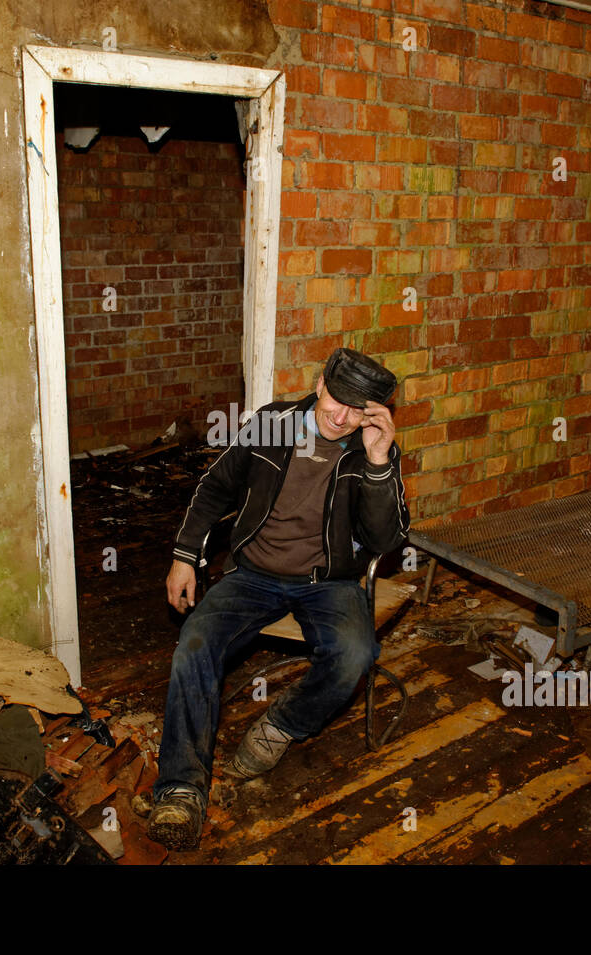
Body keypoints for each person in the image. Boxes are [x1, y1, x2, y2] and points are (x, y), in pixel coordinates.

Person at [146, 347, 410, 850]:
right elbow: (215, 488)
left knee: (355, 655)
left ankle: (280, 727)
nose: (341, 416)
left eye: (357, 409)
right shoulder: (272, 424)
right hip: (253, 574)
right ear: (318, 385)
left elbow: (385, 541)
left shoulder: (372, 447)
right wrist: (185, 556)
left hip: (329, 581)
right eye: (336, 399)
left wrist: (378, 460)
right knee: (193, 649)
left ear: (375, 413)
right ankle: (181, 785)